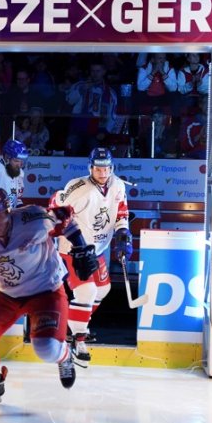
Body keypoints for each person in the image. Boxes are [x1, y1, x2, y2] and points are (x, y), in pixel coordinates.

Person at [0, 188, 99, 403]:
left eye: (0, 215)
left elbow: (65, 216)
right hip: (7, 293)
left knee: (47, 349)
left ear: (9, 212)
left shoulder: (33, 218)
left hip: (45, 289)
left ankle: (65, 355)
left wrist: (81, 247)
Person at [49, 147, 132, 364]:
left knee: (103, 290)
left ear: (112, 167)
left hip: (98, 248)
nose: (103, 173)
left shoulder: (118, 185)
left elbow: (122, 210)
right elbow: (54, 206)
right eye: (98, 168)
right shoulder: (79, 188)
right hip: (75, 249)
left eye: (106, 168)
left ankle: (74, 325)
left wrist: (123, 232)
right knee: (87, 291)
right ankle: (78, 340)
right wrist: (66, 233)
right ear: (90, 168)